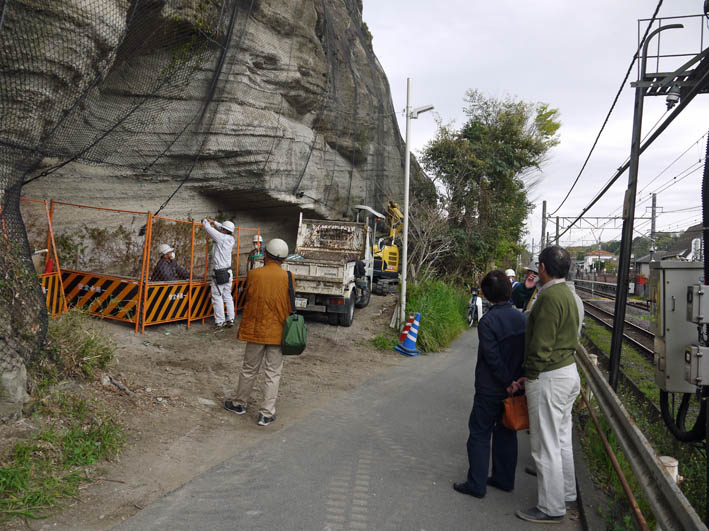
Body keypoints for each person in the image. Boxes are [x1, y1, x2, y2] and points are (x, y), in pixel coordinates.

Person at [507, 246, 581, 524]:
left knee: (544, 445)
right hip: (567, 372)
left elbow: (541, 344)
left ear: (543, 268)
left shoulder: (549, 298)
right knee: (561, 439)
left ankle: (551, 507)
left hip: (549, 377)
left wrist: (531, 374)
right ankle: (567, 493)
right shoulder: (569, 295)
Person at [453, 270, 527, 499]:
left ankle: (476, 484)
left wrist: (507, 382)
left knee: (479, 433)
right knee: (506, 432)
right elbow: (528, 352)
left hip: (491, 388)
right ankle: (504, 479)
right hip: (516, 387)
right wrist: (517, 381)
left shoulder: (487, 322)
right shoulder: (522, 319)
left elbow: (492, 357)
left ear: (486, 294)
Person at [224, 238, 292, 427]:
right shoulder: (288, 277)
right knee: (273, 373)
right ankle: (266, 414)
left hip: (256, 330)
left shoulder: (254, 275)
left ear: (265, 255)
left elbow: (249, 298)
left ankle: (239, 404)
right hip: (278, 333)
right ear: (284, 260)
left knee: (249, 369)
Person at [202, 218, 236, 329]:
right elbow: (222, 227)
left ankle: (219, 321)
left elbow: (208, 229)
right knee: (227, 296)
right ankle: (230, 319)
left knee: (217, 296)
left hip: (219, 272)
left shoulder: (221, 237)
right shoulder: (231, 238)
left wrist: (205, 221)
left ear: (224, 230)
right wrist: (215, 222)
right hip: (228, 272)